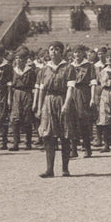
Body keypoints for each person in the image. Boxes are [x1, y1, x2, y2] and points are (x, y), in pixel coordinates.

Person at [34, 41, 76, 177]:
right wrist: (40, 107)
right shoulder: (44, 69)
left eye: (57, 49)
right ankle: (49, 169)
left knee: (65, 134)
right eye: (51, 49)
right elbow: (41, 90)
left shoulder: (69, 68)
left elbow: (70, 88)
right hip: (48, 101)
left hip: (62, 99)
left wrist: (67, 104)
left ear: (61, 52)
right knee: (48, 135)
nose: (53, 52)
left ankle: (65, 168)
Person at [8, 47, 36, 151]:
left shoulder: (30, 71)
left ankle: (28, 143)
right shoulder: (13, 71)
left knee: (27, 117)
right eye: (16, 58)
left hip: (27, 93)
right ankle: (16, 143)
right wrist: (9, 98)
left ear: (25, 60)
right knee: (15, 118)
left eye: (20, 58)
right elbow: (10, 85)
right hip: (16, 93)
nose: (18, 60)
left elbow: (34, 85)